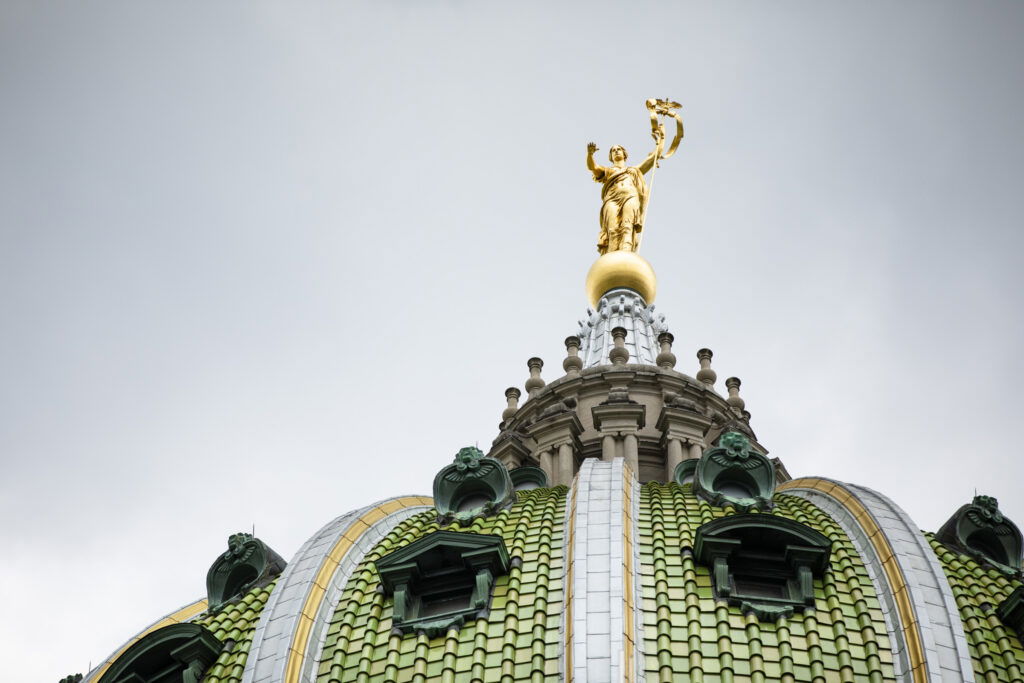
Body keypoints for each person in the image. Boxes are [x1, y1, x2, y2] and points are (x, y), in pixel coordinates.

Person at [586, 126, 664, 254]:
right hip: (612, 199)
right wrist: (590, 154)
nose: (616, 151)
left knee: (627, 226)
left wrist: (661, 141)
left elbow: (652, 159)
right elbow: (592, 167)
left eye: (619, 149)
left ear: (624, 153)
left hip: (630, 197)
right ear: (611, 156)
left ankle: (626, 254)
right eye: (613, 150)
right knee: (612, 230)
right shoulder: (609, 171)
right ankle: (611, 257)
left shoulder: (633, 170)